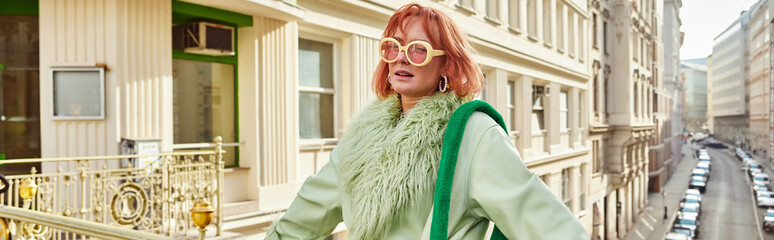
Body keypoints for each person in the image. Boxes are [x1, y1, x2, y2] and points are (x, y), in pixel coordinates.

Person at [266, 3, 587, 239]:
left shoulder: (473, 135)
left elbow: (552, 229)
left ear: (446, 64)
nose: (401, 57)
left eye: (417, 49)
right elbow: (301, 220)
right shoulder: (360, 138)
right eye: (392, 47)